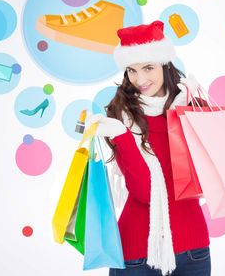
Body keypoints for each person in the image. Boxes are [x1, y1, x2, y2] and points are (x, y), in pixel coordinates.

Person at [89, 21, 211, 276]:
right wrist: (122, 136)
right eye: (131, 70)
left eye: (148, 67)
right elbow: (145, 191)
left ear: (165, 64)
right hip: (137, 255)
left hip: (193, 250)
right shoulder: (121, 117)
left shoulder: (193, 108)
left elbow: (207, 177)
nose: (140, 79)